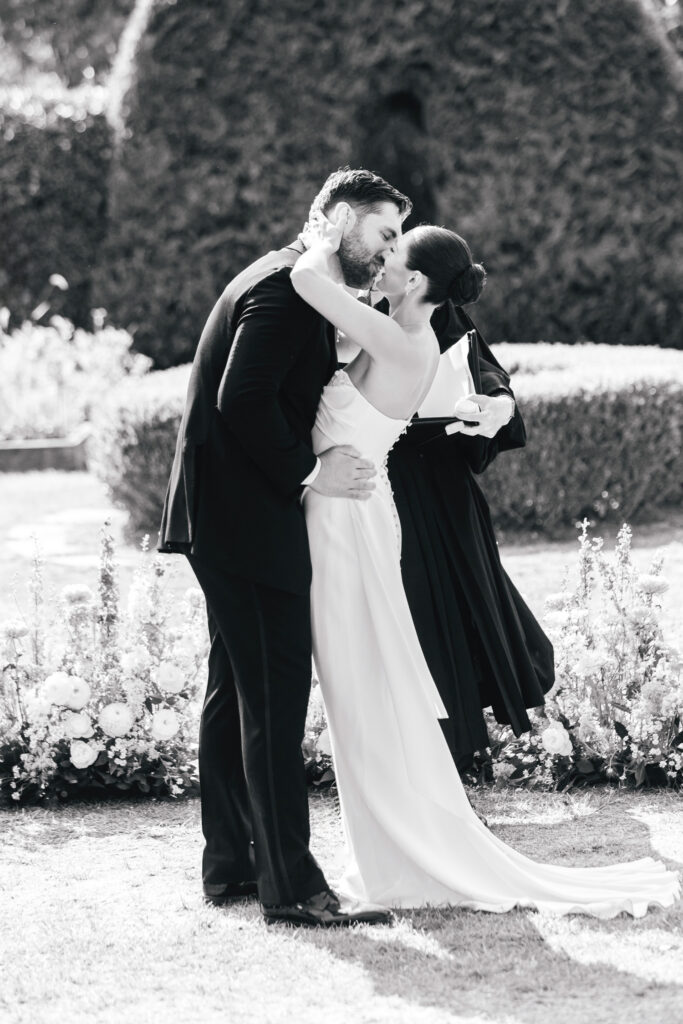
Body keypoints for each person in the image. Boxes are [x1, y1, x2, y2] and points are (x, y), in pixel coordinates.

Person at [292, 216, 680, 916]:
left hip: (377, 506)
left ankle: (412, 824)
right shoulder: (381, 320)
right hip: (350, 500)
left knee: (385, 667)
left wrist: (326, 234)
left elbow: (301, 280)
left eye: (390, 247)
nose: (378, 255)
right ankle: (395, 828)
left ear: (414, 278)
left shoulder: (409, 329)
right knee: (374, 673)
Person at [158, 168, 412, 928]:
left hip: (229, 514)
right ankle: (293, 887)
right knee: (271, 694)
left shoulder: (298, 282)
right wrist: (314, 469)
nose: (389, 247)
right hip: (244, 518)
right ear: (338, 217)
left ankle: (231, 866)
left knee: (235, 691)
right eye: (383, 230)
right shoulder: (284, 289)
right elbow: (241, 399)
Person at [386, 297, 555, 775]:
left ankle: (461, 747)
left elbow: (479, 367)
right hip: (381, 481)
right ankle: (428, 753)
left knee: (462, 607)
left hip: (441, 480)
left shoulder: (431, 303)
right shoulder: (345, 297)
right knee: (414, 610)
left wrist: (497, 403)